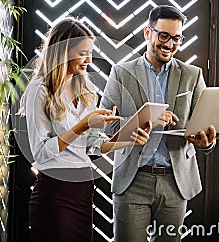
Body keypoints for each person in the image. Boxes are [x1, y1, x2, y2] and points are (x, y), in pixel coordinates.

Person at [100, 5, 219, 242]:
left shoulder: (193, 75)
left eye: (176, 38)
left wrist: (206, 143)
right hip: (133, 181)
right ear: (147, 32)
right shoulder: (121, 73)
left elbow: (200, 127)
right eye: (163, 36)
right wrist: (144, 120)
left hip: (175, 182)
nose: (170, 44)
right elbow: (106, 127)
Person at [20, 17, 152, 242]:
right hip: (54, 192)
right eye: (82, 53)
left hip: (82, 189)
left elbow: (94, 145)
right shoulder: (39, 90)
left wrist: (129, 139)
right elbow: (40, 153)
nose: (89, 60)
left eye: (90, 52)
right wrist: (82, 126)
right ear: (63, 52)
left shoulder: (86, 87)